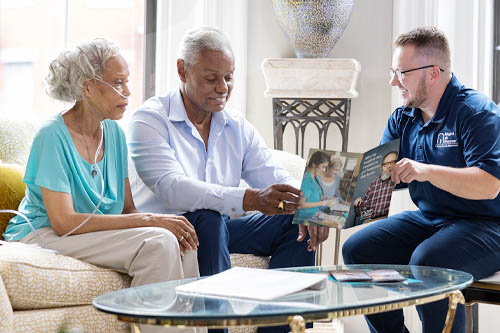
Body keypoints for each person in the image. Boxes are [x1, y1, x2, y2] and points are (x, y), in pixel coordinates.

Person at [127, 26, 329, 332]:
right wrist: (249, 199)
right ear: (182, 71)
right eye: (211, 78)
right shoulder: (150, 119)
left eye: (229, 77)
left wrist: (312, 206)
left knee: (292, 221)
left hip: (219, 228)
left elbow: (274, 176)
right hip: (169, 231)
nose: (223, 87)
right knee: (208, 218)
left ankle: (281, 328)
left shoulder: (236, 126)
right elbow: (172, 187)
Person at [2, 38, 201, 333]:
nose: (128, 91)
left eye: (127, 81)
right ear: (87, 86)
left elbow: (127, 209)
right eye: (117, 82)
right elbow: (63, 221)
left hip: (85, 233)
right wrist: (152, 220)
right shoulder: (52, 136)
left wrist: (162, 223)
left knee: (182, 241)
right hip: (43, 233)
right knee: (158, 243)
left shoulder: (115, 134)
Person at [342, 26, 500, 333]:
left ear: (433, 73)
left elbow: (490, 183)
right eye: (393, 72)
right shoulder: (403, 117)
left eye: (401, 73)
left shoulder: (476, 113)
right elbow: (380, 180)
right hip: (431, 219)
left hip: (488, 225)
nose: (393, 81)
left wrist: (424, 170)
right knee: (358, 250)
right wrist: (321, 202)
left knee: (428, 260)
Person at [353, 151, 397, 222]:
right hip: (369, 223)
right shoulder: (374, 184)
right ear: (381, 167)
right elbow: (361, 212)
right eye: (385, 164)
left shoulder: (399, 183)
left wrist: (376, 220)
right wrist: (357, 205)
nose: (388, 166)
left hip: (388, 223)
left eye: (392, 163)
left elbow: (398, 212)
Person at [296, 151, 338, 223]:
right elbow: (301, 204)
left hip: (314, 214)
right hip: (304, 219)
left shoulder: (314, 178)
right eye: (323, 167)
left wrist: (326, 198)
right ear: (314, 164)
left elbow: (312, 196)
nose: (324, 170)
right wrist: (324, 203)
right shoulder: (306, 179)